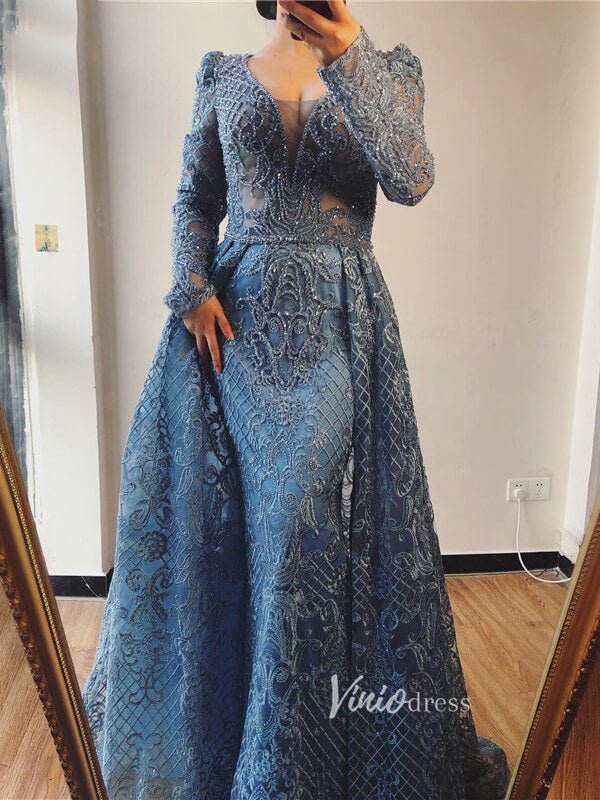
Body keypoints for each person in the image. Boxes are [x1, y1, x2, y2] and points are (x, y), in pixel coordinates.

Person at [81, 1, 511, 798]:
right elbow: (195, 198)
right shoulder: (220, 75)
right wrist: (190, 285)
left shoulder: (390, 68)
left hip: (337, 325)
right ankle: (232, 746)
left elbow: (412, 177)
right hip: (233, 330)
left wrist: (348, 50)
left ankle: (288, 767)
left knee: (294, 517)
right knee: (234, 532)